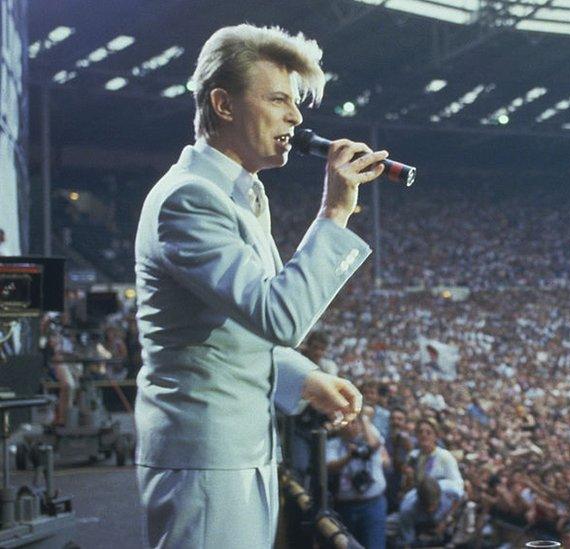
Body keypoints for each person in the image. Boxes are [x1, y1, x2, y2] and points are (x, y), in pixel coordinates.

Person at [133, 24, 388, 549]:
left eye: (294, 102)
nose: (295, 116)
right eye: (278, 99)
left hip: (235, 451)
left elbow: (234, 331)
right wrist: (335, 212)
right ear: (224, 104)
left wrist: (302, 380)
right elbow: (280, 318)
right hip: (206, 460)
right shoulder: (190, 200)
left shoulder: (237, 194)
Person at [326, 409, 389, 549]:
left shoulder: (369, 435)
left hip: (372, 504)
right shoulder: (334, 444)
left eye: (354, 422)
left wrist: (364, 418)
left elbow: (373, 445)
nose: (350, 426)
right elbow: (330, 466)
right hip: (345, 507)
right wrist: (349, 456)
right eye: (346, 423)